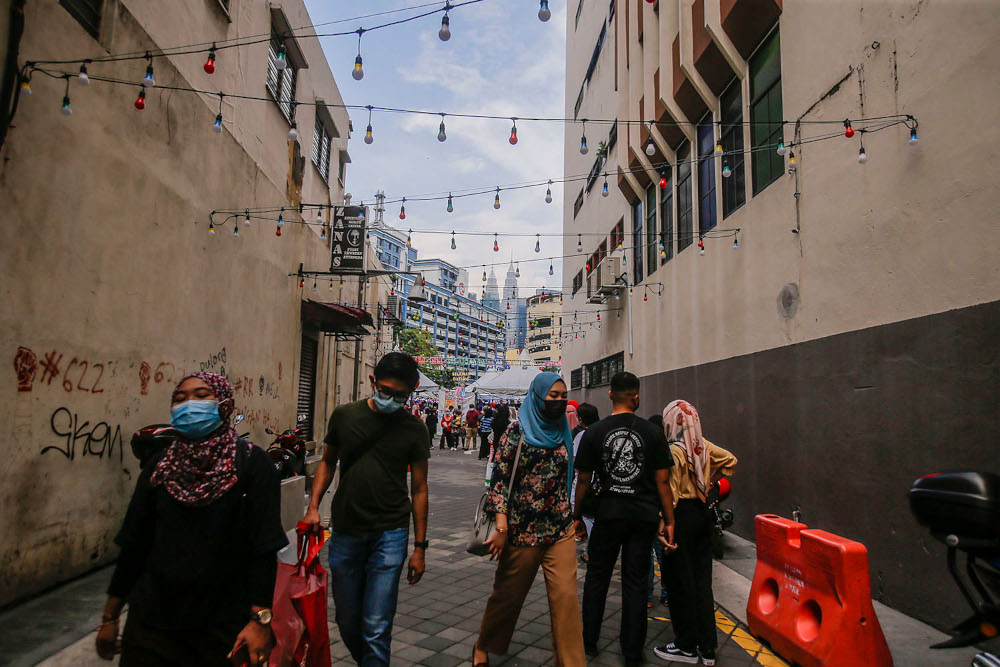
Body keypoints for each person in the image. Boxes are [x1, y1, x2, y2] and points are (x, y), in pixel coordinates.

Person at [96, 372, 286, 666]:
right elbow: (134, 546)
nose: (188, 405)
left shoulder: (251, 465)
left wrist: (260, 620)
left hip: (222, 626)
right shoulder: (160, 468)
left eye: (201, 395)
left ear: (224, 404)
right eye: (179, 398)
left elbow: (263, 548)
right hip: (151, 624)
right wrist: (109, 617)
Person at [302, 352, 430, 667]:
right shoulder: (345, 416)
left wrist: (420, 547)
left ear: (411, 391)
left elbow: (419, 488)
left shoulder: (415, 429)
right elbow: (328, 461)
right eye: (385, 391)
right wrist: (313, 507)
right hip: (346, 530)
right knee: (347, 619)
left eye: (400, 395)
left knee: (376, 625)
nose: (391, 399)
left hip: (391, 533)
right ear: (373, 382)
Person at [473, 373, 585, 666]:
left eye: (563, 396)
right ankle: (484, 644)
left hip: (560, 527)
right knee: (507, 596)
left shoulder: (563, 430)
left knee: (566, 600)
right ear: (538, 397)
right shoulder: (516, 431)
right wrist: (501, 525)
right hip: (522, 529)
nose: (559, 402)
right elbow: (499, 480)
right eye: (553, 397)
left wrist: (574, 516)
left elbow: (567, 478)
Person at [574, 372, 677, 667]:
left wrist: (577, 515)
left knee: (597, 577)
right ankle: (632, 651)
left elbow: (583, 479)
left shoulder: (595, 431)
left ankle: (589, 640)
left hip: (607, 514)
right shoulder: (652, 433)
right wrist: (668, 520)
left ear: (609, 395)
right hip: (642, 517)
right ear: (636, 396)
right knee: (635, 582)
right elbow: (663, 481)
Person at [654, 400, 737, 666]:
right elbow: (731, 461)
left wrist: (664, 526)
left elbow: (671, 493)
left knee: (679, 582)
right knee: (702, 583)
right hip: (703, 516)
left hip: (681, 518)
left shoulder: (674, 451)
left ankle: (686, 646)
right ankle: (708, 647)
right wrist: (708, 484)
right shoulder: (703, 446)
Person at [572, 403, 600, 559]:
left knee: (586, 516)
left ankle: (591, 550)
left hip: (584, 481)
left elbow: (577, 462)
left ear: (580, 419)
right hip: (601, 482)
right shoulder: (603, 431)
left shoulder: (581, 436)